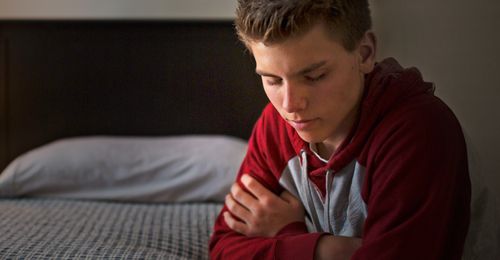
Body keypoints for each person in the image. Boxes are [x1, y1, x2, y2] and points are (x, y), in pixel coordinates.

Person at [209, 0, 471, 259]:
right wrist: (332, 249)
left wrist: (290, 236)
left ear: (365, 54)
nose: (290, 105)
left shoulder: (420, 131)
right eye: (273, 80)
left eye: (314, 77)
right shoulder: (275, 126)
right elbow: (222, 249)